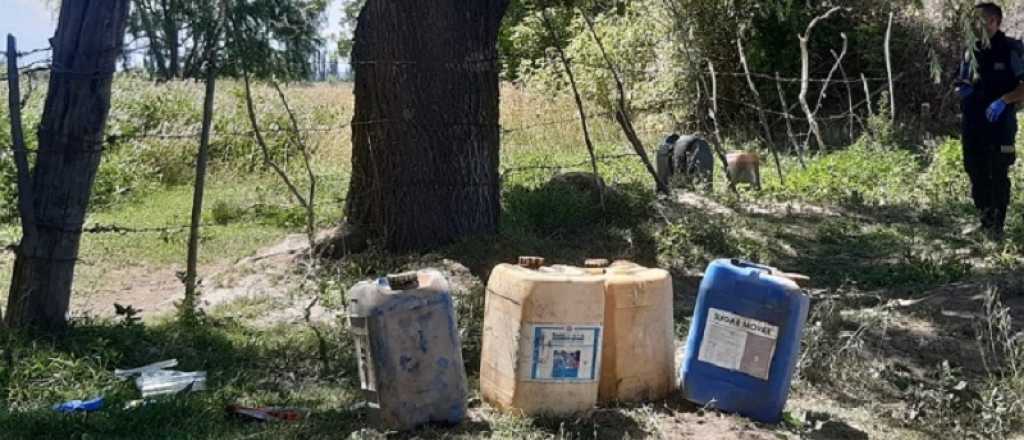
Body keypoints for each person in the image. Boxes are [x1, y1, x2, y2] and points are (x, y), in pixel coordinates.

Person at [957, 3, 1024, 240]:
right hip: (973, 123)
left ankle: (997, 227)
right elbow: (962, 80)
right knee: (975, 170)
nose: (974, 26)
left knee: (997, 172)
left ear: (994, 21)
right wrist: (963, 92)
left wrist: (1004, 100)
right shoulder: (970, 49)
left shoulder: (1011, 49)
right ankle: (985, 221)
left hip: (1001, 126)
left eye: (979, 20)